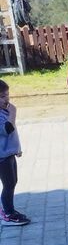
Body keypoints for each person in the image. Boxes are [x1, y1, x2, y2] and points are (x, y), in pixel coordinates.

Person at [0, 80, 28, 226]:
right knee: (9, 184)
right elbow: (7, 130)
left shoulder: (4, 111)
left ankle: (8, 209)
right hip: (2, 157)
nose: (6, 99)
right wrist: (13, 113)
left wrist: (17, 149)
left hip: (9, 154)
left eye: (7, 95)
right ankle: (8, 214)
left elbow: (13, 135)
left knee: (13, 182)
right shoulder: (6, 113)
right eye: (2, 96)